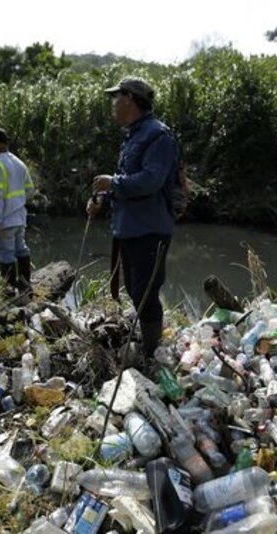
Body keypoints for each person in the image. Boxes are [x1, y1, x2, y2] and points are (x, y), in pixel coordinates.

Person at [87, 76, 180, 364]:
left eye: (116, 97)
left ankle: (152, 354)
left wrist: (111, 183)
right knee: (135, 289)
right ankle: (148, 342)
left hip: (150, 229)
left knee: (146, 291)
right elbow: (127, 182)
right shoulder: (133, 136)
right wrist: (102, 199)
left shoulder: (158, 135)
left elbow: (151, 180)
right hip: (129, 227)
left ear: (129, 98)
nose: (113, 104)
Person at [0, 126, 35, 298]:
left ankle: (9, 294)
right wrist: (17, 205)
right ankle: (26, 287)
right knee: (21, 250)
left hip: (2, 220)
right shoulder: (19, 162)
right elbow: (29, 189)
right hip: (19, 218)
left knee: (5, 255)